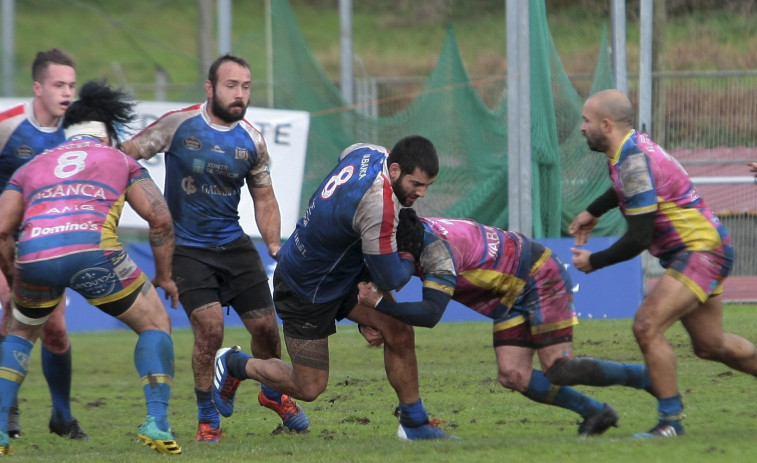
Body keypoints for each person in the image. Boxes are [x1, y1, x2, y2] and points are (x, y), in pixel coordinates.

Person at [213, 136, 458, 440]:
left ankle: (414, 423)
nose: (421, 193)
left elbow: (345, 156)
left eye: (427, 186)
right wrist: (408, 256)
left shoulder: (368, 152)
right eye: (416, 184)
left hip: (340, 275)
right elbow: (391, 277)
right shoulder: (377, 207)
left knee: (398, 330)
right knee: (309, 387)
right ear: (394, 169)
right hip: (305, 287)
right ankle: (235, 364)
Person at [119, 53, 308, 442]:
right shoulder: (179, 124)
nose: (240, 94)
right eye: (231, 86)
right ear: (210, 88)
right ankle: (208, 418)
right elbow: (127, 155)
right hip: (186, 250)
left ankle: (272, 393)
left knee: (267, 330)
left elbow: (265, 198)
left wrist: (274, 245)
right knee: (210, 332)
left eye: (246, 87)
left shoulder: (252, 139)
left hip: (233, 245)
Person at [0, 80, 182, 456]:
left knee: (19, 332)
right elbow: (161, 220)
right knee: (155, 324)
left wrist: (13, 274)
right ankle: (157, 423)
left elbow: (2, 229)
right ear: (108, 131)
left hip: (34, 256)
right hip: (93, 252)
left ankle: (1, 431)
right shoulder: (120, 159)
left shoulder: (32, 167)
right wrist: (164, 276)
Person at [355, 210, 655, 437]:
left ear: (408, 251)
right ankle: (596, 412)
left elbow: (430, 314)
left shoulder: (438, 254)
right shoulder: (411, 229)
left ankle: (646, 377)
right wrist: (367, 321)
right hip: (509, 292)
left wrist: (379, 306)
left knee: (559, 367)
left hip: (538, 274)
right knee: (514, 374)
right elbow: (379, 274)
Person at [569, 88, 757, 438]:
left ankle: (670, 423)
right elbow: (625, 188)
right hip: (702, 248)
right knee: (710, 345)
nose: (582, 128)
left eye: (586, 121)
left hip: (700, 251)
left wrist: (594, 261)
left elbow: (639, 237)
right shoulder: (630, 148)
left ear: (606, 125)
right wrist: (593, 211)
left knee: (646, 325)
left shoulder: (633, 160)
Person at [0, 48, 87, 440]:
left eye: (71, 85)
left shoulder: (79, 133)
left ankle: (62, 418)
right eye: (58, 85)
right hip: (4, 239)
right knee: (10, 313)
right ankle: (9, 415)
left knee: (55, 332)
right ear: (38, 87)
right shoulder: (9, 127)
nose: (67, 92)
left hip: (49, 245)